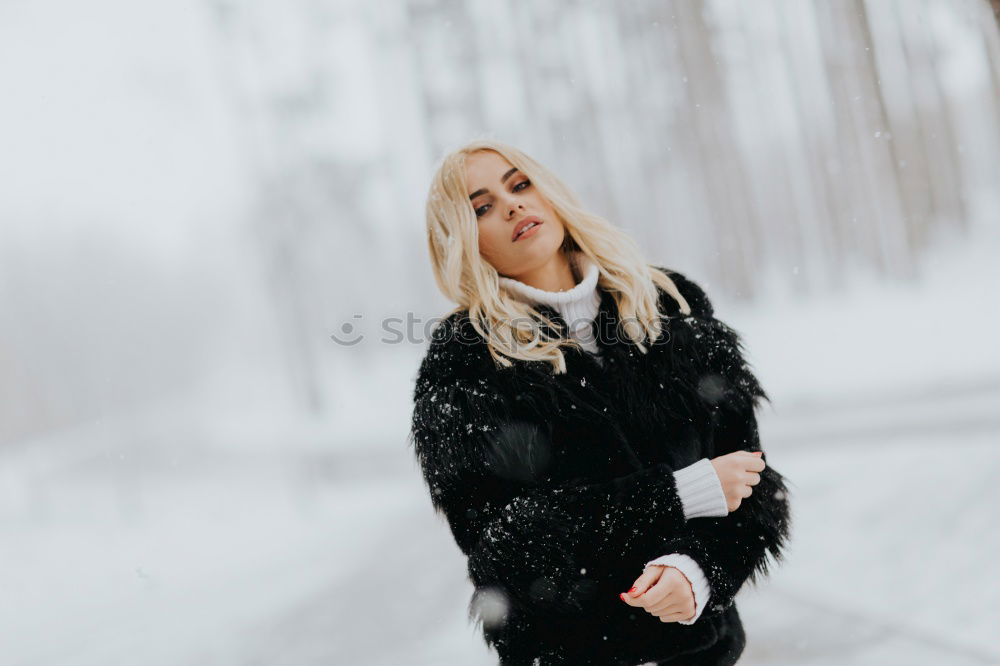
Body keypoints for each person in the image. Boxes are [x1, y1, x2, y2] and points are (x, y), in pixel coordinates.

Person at [408, 139, 792, 665]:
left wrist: (697, 573)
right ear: (463, 244)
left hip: (703, 652)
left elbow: (751, 481)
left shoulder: (667, 303)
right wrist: (675, 495)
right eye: (482, 208)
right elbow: (503, 543)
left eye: (519, 185)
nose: (513, 205)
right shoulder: (463, 363)